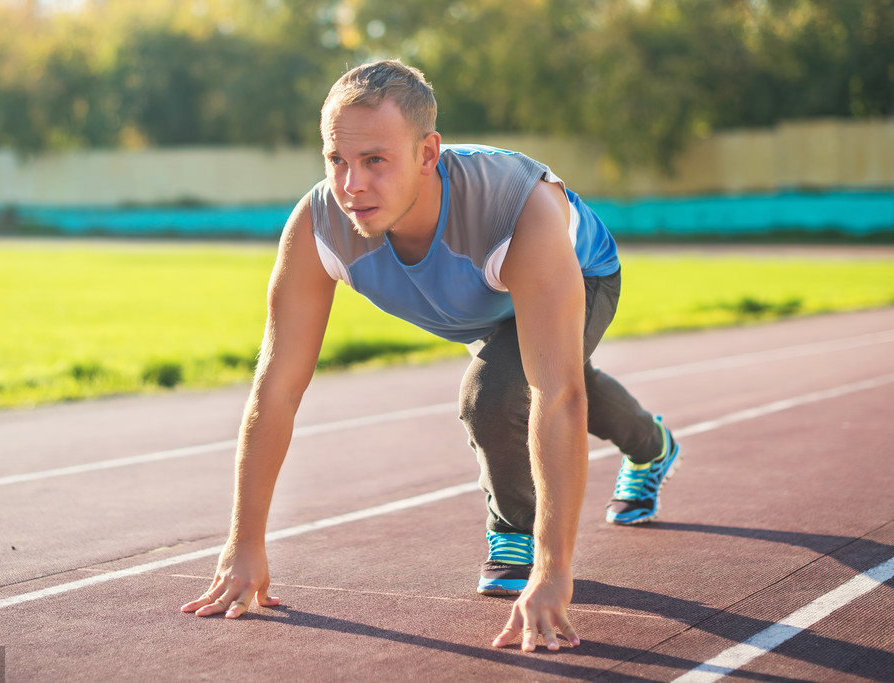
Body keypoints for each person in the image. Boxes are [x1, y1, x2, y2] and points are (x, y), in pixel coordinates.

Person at [180, 59, 681, 653]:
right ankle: (653, 445)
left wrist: (554, 570)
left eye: (375, 161)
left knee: (500, 391)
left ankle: (515, 528)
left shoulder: (517, 208)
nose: (351, 185)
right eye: (336, 160)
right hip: (477, 302)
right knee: (524, 373)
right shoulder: (318, 225)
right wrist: (244, 542)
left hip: (579, 275)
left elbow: (559, 396)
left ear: (427, 153)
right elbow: (277, 387)